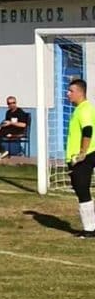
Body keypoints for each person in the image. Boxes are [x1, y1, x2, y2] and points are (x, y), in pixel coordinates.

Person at [65, 78, 95, 239]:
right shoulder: (80, 109)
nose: (67, 94)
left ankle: (90, 229)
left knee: (82, 190)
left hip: (85, 157)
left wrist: (82, 152)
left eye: (70, 91)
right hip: (81, 156)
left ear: (80, 92)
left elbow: (88, 130)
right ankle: (90, 228)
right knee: (80, 190)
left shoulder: (84, 109)